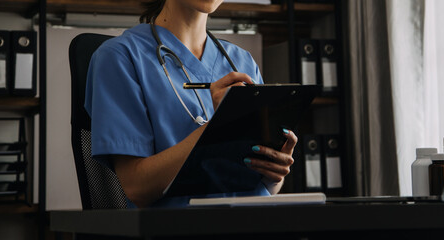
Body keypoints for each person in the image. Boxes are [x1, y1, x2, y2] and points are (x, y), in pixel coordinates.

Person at [84, 0, 297, 208]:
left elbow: (262, 185)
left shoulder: (242, 61)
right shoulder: (120, 57)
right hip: (181, 226)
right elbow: (137, 187)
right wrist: (219, 127)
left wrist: (274, 175)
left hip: (256, 220)